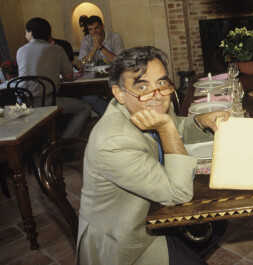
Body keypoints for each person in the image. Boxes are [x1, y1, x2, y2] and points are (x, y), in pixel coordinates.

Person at [77, 46, 230, 265]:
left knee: (218, 220)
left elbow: (176, 124)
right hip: (128, 240)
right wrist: (166, 128)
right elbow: (179, 194)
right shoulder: (113, 142)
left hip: (155, 213)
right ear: (119, 93)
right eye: (142, 86)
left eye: (161, 82)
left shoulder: (147, 105)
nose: (157, 95)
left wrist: (200, 120)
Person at [16, 18, 92, 140]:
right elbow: (68, 76)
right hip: (46, 102)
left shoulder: (20, 50)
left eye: (26, 32)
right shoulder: (56, 49)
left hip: (22, 104)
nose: (25, 35)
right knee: (85, 108)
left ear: (30, 33)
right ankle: (64, 141)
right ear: (49, 34)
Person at [77, 15, 125, 116]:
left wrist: (101, 47)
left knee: (115, 94)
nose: (93, 32)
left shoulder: (114, 37)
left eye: (96, 28)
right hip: (94, 80)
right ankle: (111, 116)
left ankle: (117, 115)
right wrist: (95, 48)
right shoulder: (86, 40)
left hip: (114, 77)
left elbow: (120, 61)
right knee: (87, 97)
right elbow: (80, 65)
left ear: (102, 26)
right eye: (90, 29)